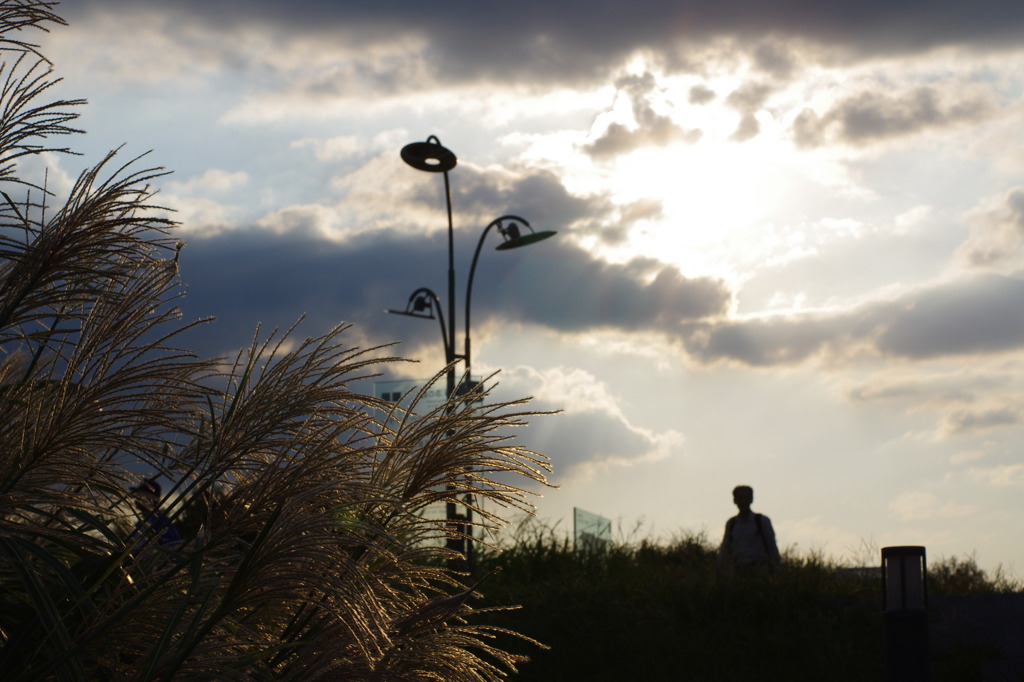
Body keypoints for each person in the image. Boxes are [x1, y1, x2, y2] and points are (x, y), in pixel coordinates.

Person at [718, 485, 780, 571]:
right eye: (740, 498)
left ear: (751, 499)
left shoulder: (761, 521)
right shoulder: (731, 524)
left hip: (760, 569)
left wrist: (777, 569)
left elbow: (772, 546)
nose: (743, 501)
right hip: (738, 570)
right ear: (735, 500)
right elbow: (725, 548)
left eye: (746, 497)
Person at [130, 477, 181, 548]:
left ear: (150, 499)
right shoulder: (141, 522)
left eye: (139, 496)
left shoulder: (160, 521)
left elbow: (172, 547)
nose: (135, 499)